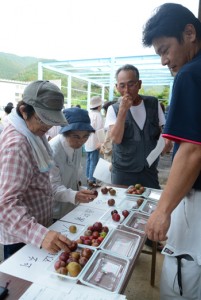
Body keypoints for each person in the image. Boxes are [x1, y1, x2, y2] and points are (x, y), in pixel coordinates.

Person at [142, 3, 201, 299]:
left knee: (183, 279)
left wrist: (163, 210)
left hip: (197, 203)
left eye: (165, 49)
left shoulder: (190, 74)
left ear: (189, 33)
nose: (164, 60)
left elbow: (192, 150)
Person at [0, 80, 73, 259]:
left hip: (37, 228)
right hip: (22, 237)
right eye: (43, 119)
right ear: (24, 111)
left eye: (51, 120)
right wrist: (41, 235)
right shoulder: (18, 145)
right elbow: (5, 206)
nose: (48, 126)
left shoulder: (33, 133)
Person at [105, 64, 171, 188]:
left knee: (150, 203)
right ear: (116, 87)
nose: (127, 90)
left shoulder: (153, 103)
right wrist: (123, 111)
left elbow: (164, 130)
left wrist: (166, 141)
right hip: (123, 171)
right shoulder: (112, 109)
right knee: (121, 204)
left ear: (139, 84)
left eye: (131, 84)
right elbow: (116, 139)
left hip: (149, 169)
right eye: (122, 85)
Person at [49, 107, 98, 220]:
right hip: (55, 210)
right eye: (76, 136)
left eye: (85, 136)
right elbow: (53, 188)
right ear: (65, 132)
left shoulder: (77, 146)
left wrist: (80, 190)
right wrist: (75, 195)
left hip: (70, 206)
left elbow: (76, 172)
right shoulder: (52, 151)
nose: (81, 141)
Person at [85, 96, 104, 185]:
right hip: (95, 142)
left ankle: (88, 176)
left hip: (87, 141)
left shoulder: (89, 114)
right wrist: (101, 143)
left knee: (88, 160)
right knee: (94, 161)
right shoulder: (98, 115)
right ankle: (92, 179)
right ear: (99, 106)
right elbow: (100, 131)